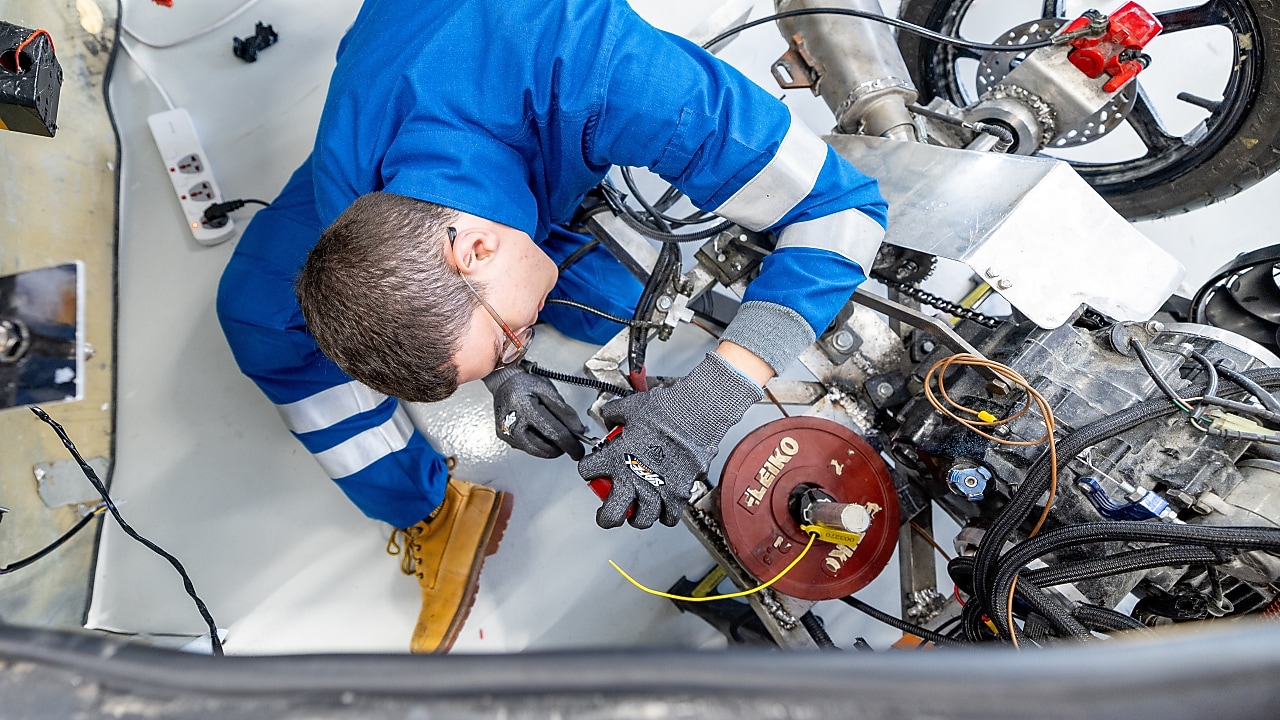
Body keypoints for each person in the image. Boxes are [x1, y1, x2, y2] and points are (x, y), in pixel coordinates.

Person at [216, 0, 887, 654]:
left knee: (624, 306)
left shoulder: (610, 72)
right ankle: (429, 511)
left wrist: (712, 398)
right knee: (260, 314)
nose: (522, 343)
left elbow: (846, 208)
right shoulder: (356, 200)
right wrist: (502, 373)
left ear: (474, 250)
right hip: (419, 91)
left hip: (533, 63)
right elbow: (444, 306)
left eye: (512, 337)